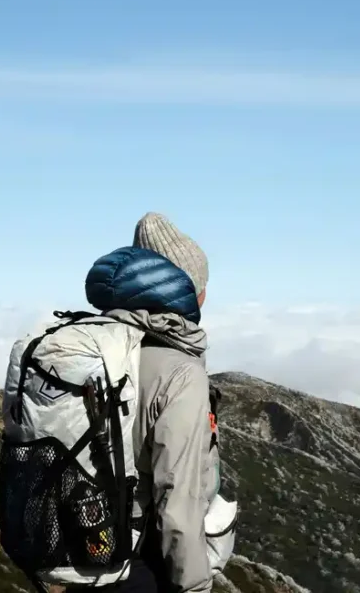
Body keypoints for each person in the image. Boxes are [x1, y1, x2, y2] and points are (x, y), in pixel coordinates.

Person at [84, 212, 218, 593]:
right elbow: (178, 502)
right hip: (142, 563)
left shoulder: (97, 347)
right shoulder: (179, 372)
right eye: (201, 285)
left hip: (88, 548)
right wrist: (194, 588)